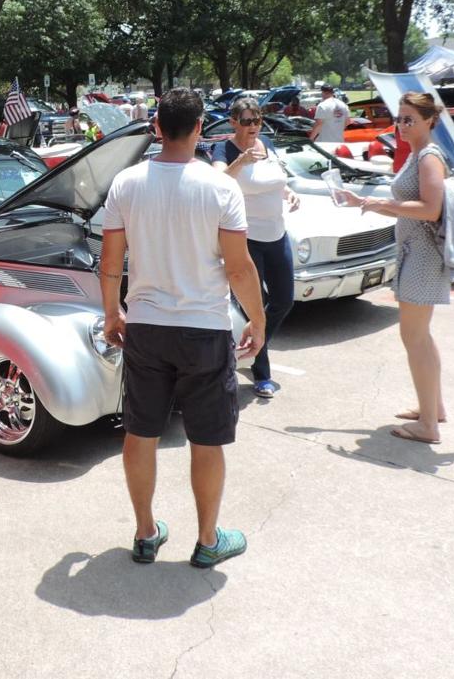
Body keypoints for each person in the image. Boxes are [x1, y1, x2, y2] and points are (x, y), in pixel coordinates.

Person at [99, 87, 266, 568]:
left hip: (146, 326)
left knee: (141, 432)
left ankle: (146, 532)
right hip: (204, 328)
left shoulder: (126, 183)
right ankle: (208, 540)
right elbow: (239, 267)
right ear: (198, 129)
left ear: (156, 126)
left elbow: (111, 261)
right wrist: (258, 318)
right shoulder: (220, 186)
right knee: (207, 438)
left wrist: (112, 313)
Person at [338, 91, 449, 444]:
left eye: (409, 119)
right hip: (415, 252)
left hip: (423, 255)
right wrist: (367, 203)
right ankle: (434, 408)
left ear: (429, 120)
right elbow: (406, 203)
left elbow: (430, 209)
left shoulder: (429, 157)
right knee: (422, 337)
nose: (401, 125)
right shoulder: (417, 155)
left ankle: (428, 425)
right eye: (399, 118)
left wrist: (382, 202)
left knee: (413, 337)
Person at [214, 96, 299, 399]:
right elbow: (216, 182)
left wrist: (288, 192)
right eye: (247, 121)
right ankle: (262, 373)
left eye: (258, 120)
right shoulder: (224, 148)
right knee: (254, 306)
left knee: (284, 300)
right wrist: (240, 161)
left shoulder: (268, 145)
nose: (253, 126)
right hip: (247, 238)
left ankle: (254, 345)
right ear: (234, 122)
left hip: (277, 234)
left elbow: (274, 179)